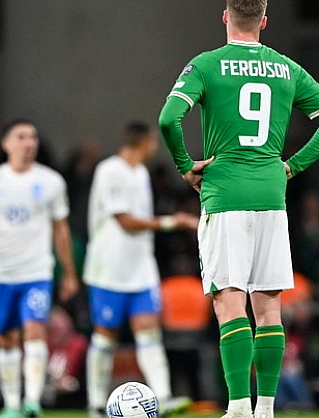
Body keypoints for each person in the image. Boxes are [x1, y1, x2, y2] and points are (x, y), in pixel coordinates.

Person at [157, 0, 319, 418]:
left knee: (230, 300)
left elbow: (169, 118)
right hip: (271, 194)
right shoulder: (286, 69)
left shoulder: (206, 65)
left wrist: (186, 164)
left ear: (225, 17)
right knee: (268, 305)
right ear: (264, 22)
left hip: (225, 193)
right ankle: (265, 408)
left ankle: (239, 407)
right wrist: (293, 165)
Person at [0, 118, 79, 418]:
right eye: (21, 136)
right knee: (6, 336)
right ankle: (12, 403)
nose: (29, 142)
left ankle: (32, 401)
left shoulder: (51, 181)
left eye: (32, 137)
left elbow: (61, 229)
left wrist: (68, 272)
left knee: (34, 328)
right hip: (1, 273)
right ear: (6, 143)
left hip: (37, 272)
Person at [84, 121, 198, 417]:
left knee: (149, 333)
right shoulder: (109, 170)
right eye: (153, 141)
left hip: (140, 270)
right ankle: (95, 402)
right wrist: (174, 221)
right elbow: (125, 221)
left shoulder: (141, 173)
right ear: (144, 141)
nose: (155, 147)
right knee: (105, 337)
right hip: (108, 269)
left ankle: (162, 397)